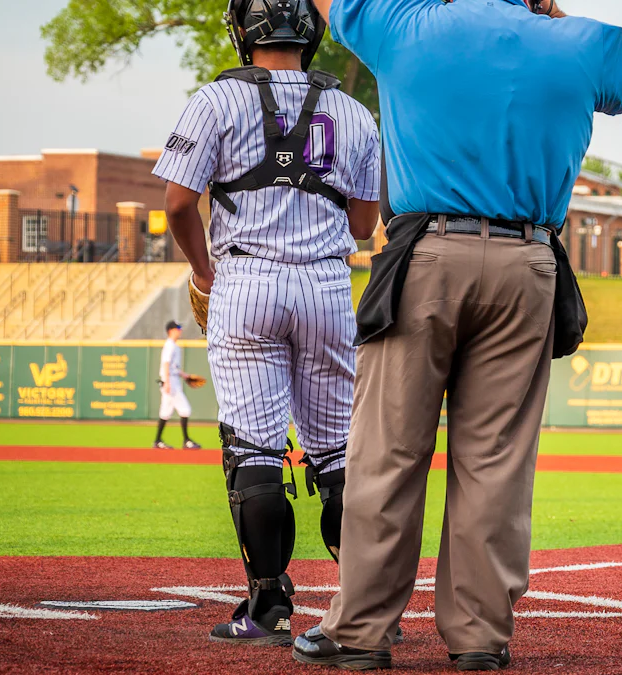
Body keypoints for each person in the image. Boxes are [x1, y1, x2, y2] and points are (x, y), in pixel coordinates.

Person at [293, 0, 622, 670]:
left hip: (426, 256)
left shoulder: (405, 24)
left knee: (388, 453)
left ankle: (362, 631)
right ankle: (480, 635)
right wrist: (546, 14)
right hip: (529, 263)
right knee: (496, 465)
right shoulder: (582, 43)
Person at [152, 0, 381, 646]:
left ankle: (268, 605)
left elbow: (176, 201)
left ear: (241, 31)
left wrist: (204, 271)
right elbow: (364, 226)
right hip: (327, 285)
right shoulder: (353, 112)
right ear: (309, 33)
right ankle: (364, 607)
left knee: (253, 450)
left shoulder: (213, 101)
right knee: (340, 453)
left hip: (246, 280)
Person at [154, 321, 201, 450]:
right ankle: (186, 441)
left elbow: (173, 367)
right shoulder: (170, 345)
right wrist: (168, 383)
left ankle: (158, 441)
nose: (180, 330)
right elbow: (166, 364)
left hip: (172, 380)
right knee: (185, 409)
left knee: (165, 412)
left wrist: (185, 375)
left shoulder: (173, 345)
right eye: (178, 328)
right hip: (170, 382)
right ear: (171, 330)